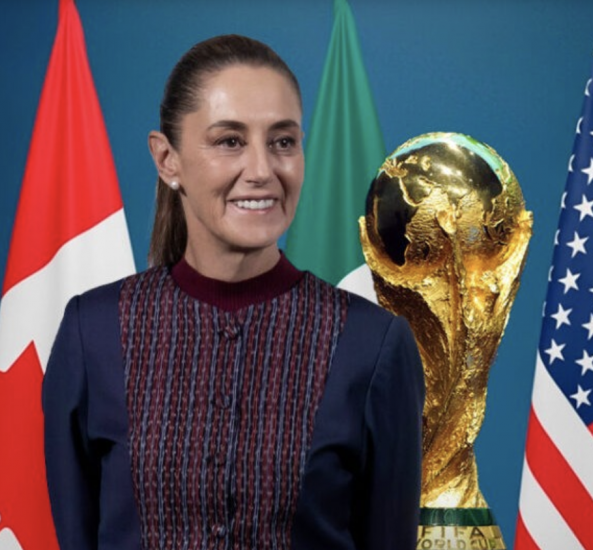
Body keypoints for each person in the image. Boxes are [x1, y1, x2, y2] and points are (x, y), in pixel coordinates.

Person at [43, 34, 425, 550]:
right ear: (167, 159)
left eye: (283, 142)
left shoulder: (374, 344)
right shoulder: (92, 332)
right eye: (229, 141)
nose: (262, 171)